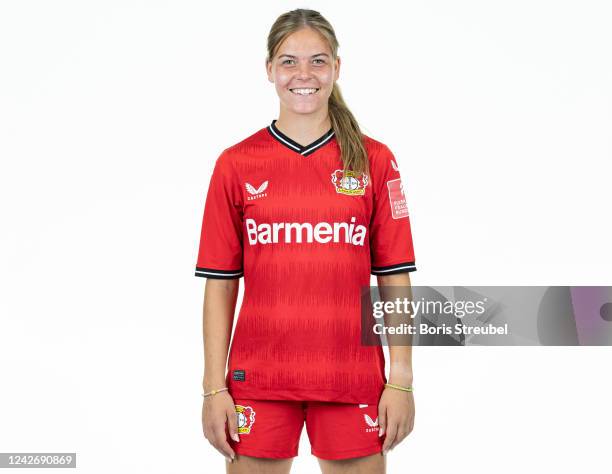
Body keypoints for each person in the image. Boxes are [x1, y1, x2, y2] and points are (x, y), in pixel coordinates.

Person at [195, 8, 417, 474]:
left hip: (351, 378)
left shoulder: (375, 160)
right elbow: (220, 284)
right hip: (258, 379)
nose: (304, 75)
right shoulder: (236, 164)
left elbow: (394, 276)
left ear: (337, 68)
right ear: (270, 70)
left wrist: (401, 380)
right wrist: (213, 388)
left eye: (318, 61)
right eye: (289, 61)